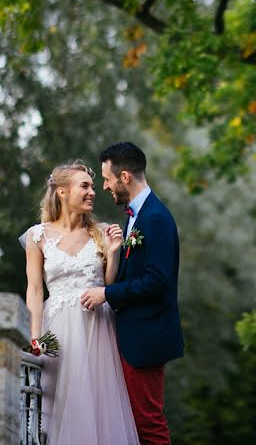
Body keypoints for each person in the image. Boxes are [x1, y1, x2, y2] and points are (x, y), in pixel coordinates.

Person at [21, 160, 140, 445]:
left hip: (98, 333)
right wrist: (35, 337)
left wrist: (113, 253)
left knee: (98, 411)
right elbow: (35, 290)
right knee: (55, 409)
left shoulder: (101, 232)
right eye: (84, 186)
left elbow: (110, 287)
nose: (92, 192)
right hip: (57, 333)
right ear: (62, 192)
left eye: (93, 186)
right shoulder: (37, 236)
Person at [81, 142, 184, 445]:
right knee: (135, 425)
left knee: (148, 425)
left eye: (107, 179)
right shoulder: (134, 217)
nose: (105, 186)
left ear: (124, 177)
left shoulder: (155, 218)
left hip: (147, 338)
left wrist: (107, 293)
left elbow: (157, 281)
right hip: (133, 336)